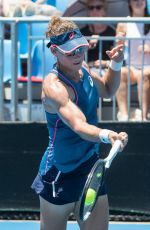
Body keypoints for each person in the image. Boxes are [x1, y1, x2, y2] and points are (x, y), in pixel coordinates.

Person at [31, 16, 128, 230]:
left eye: (80, 49)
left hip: (90, 167)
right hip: (59, 173)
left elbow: (109, 90)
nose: (77, 55)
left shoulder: (83, 69)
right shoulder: (54, 87)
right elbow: (79, 125)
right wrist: (107, 135)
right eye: (70, 52)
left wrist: (116, 62)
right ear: (54, 51)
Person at [116, 0, 150, 121]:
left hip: (148, 67)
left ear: (146, 3)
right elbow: (117, 47)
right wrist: (119, 41)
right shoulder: (124, 23)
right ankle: (123, 115)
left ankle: (143, 116)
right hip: (131, 67)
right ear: (130, 3)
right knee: (121, 72)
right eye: (134, 0)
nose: (138, 2)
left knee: (144, 74)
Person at [80, 0, 116, 74]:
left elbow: (115, 58)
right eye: (91, 8)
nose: (94, 10)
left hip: (105, 71)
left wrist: (104, 63)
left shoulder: (112, 32)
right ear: (88, 12)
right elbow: (76, 55)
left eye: (98, 7)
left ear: (104, 11)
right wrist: (88, 46)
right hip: (85, 70)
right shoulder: (81, 32)